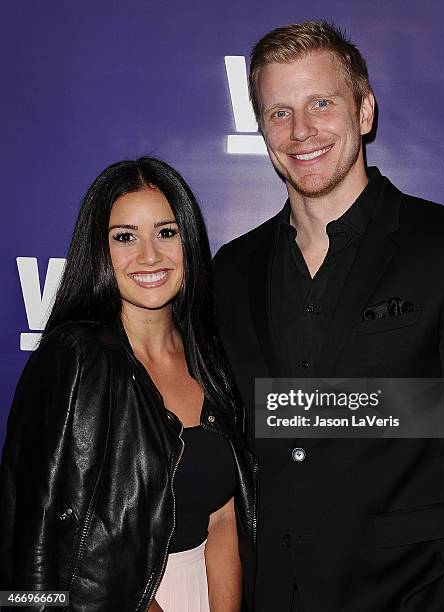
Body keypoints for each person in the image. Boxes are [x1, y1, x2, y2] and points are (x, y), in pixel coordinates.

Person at [213, 20, 444, 612]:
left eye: (322, 102)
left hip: (412, 594)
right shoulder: (232, 270)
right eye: (279, 112)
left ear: (364, 110)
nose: (301, 131)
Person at [0, 157, 256, 611]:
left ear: (188, 242)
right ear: (99, 250)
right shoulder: (74, 357)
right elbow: (34, 528)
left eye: (166, 232)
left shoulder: (211, 356)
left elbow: (223, 516)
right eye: (124, 237)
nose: (149, 256)